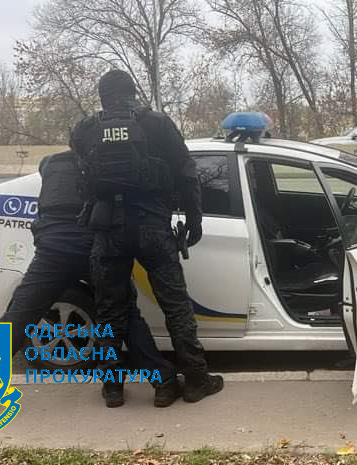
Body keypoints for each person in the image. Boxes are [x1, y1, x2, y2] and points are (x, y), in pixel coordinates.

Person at [70, 69, 222, 406]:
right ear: (132, 93)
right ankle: (196, 380)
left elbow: (82, 178)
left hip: (108, 232)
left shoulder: (85, 130)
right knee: (176, 306)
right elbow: (187, 175)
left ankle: (112, 389)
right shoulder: (157, 124)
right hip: (152, 228)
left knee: (110, 311)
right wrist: (194, 223)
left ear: (102, 96)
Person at [0, 149, 180, 408]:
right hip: (96, 247)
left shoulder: (51, 163)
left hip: (53, 251)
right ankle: (162, 382)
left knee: (19, 315)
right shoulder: (108, 161)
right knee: (125, 314)